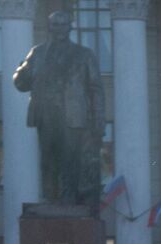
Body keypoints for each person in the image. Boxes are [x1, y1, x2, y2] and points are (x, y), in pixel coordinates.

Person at [12, 11, 105, 209]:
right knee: (47, 159)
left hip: (73, 115)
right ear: (50, 27)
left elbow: (96, 90)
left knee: (70, 159)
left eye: (63, 25)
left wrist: (98, 122)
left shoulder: (84, 54)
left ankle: (68, 200)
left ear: (70, 27)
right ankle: (50, 199)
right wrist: (22, 70)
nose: (59, 29)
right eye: (55, 25)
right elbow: (20, 84)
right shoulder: (37, 53)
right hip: (46, 114)